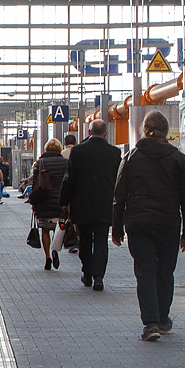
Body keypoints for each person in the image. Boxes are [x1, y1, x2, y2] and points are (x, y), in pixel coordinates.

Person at [112, 110, 185, 342]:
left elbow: (119, 196)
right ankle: (163, 318)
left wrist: (116, 229)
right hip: (168, 223)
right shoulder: (178, 159)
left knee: (145, 272)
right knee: (165, 271)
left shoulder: (131, 157)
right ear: (166, 131)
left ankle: (150, 324)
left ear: (144, 130)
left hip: (138, 223)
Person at [58, 118, 122, 291]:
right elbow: (118, 180)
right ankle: (99, 276)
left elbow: (69, 179)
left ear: (88, 132)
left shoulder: (78, 151)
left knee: (85, 239)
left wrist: (64, 201)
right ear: (106, 133)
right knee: (101, 240)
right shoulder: (114, 153)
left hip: (82, 204)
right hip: (105, 204)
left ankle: (87, 273)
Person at [30, 138, 70, 270]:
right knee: (58, 229)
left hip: (43, 200)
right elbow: (69, 182)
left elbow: (35, 183)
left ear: (46, 149)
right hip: (60, 201)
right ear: (59, 149)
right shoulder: (66, 163)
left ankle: (47, 257)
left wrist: (33, 202)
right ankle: (55, 251)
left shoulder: (40, 163)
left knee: (45, 229)